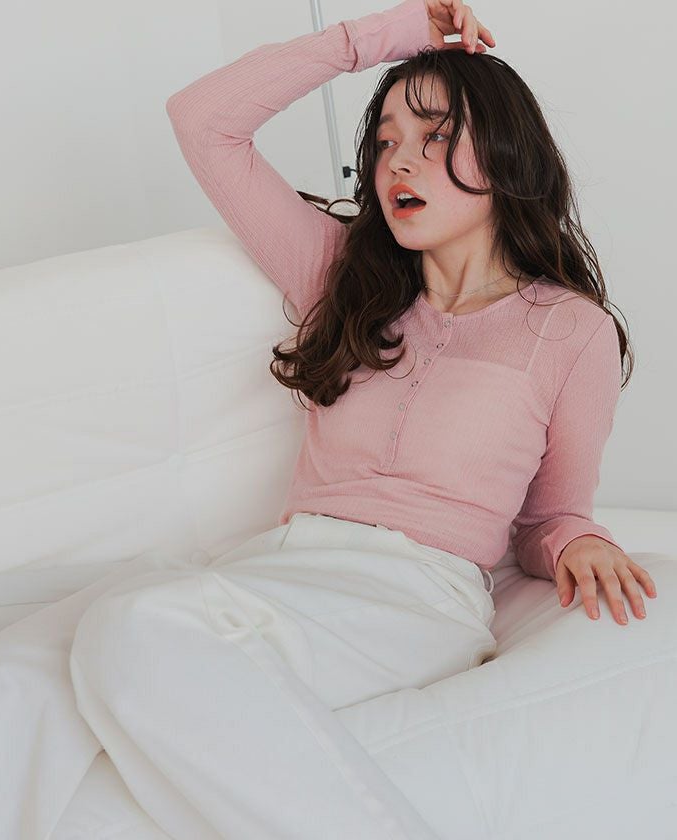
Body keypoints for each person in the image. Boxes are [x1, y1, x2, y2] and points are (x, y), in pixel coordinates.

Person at [64, 0, 656, 838]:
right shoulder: (343, 277)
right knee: (32, 665)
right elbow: (203, 121)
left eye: (434, 135)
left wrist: (577, 541)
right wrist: (386, 35)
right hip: (280, 568)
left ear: (506, 153)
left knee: (130, 625)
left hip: (413, 597)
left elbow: (548, 517)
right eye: (383, 141)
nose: (398, 162)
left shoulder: (569, 329)